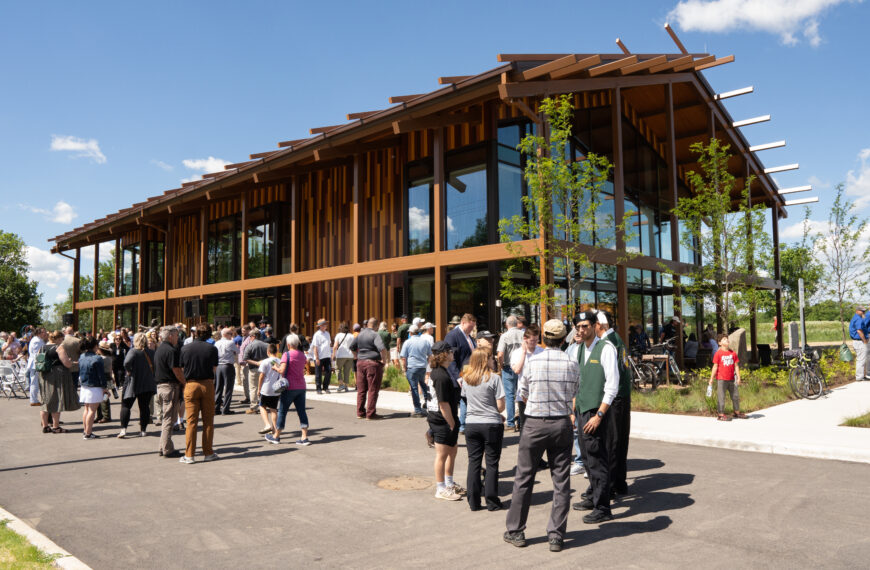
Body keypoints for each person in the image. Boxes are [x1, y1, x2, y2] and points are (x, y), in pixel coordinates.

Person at [504, 319, 579, 553]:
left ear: (544, 338)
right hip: (561, 423)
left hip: (535, 423)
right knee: (561, 481)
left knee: (524, 477)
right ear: (564, 339)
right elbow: (575, 391)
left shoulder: (534, 362)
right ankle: (556, 535)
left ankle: (516, 530)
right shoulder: (572, 362)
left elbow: (522, 393)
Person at [571, 310, 619, 525]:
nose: (581, 330)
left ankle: (603, 507)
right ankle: (593, 497)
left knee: (598, 459)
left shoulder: (606, 348)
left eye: (585, 326)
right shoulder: (579, 349)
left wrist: (599, 415)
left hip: (596, 412)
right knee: (588, 459)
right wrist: (574, 410)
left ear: (594, 326)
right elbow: (576, 383)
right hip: (582, 411)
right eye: (578, 326)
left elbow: (612, 386)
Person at [461, 347, 505, 511]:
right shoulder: (494, 379)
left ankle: (473, 501)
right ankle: (492, 501)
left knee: (474, 462)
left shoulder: (466, 379)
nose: (493, 361)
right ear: (485, 360)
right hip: (491, 423)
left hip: (472, 423)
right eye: (491, 358)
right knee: (492, 463)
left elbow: (466, 401)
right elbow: (500, 407)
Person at [599, 311, 632, 497]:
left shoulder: (608, 342)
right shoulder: (616, 338)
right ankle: (619, 482)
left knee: (611, 442)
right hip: (623, 395)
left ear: (601, 325)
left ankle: (610, 484)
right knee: (620, 442)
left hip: (615, 396)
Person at [427, 341, 463, 501]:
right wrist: (451, 423)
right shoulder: (440, 376)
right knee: (442, 454)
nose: (453, 353)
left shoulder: (441, 371)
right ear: (444, 355)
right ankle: (440, 488)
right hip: (442, 419)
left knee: (452, 451)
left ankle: (449, 483)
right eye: (450, 351)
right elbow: (443, 404)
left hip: (445, 418)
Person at [179, 323, 219, 463]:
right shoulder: (212, 349)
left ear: (195, 333)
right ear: (209, 334)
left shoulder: (185, 348)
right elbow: (214, 368)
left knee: (191, 422)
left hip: (191, 383)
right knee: (208, 421)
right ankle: (208, 452)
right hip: (207, 384)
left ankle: (189, 455)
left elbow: (182, 368)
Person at [271, 334, 311, 445]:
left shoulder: (286, 354)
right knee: (302, 411)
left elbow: (282, 371)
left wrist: (275, 367)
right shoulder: (302, 355)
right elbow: (302, 365)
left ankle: (276, 436)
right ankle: (304, 437)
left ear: (288, 345)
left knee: (283, 411)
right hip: (301, 386)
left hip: (289, 387)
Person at [153, 326, 184, 458]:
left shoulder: (160, 349)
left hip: (161, 387)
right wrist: (185, 382)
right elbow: (176, 370)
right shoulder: (171, 350)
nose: (178, 338)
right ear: (170, 336)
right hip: (170, 387)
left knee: (167, 418)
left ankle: (163, 446)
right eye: (176, 335)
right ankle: (167, 449)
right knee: (169, 419)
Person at [119, 332, 157, 439]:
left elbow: (126, 363)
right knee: (144, 407)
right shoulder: (151, 352)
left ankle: (123, 429)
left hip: (133, 382)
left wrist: (129, 371)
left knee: (126, 405)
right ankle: (143, 430)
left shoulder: (133, 351)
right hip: (147, 382)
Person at [350, 317, 388, 420]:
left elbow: (352, 347)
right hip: (372, 363)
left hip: (360, 363)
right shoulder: (375, 334)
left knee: (361, 389)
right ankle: (370, 414)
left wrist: (356, 356)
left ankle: (360, 412)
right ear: (376, 325)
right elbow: (382, 349)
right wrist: (384, 360)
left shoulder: (360, 334)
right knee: (373, 389)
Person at [445, 313, 477, 433]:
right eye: (470, 327)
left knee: (465, 402)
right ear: (462, 323)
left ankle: (463, 426)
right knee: (453, 406)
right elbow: (450, 360)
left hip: (468, 376)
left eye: (473, 327)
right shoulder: (453, 336)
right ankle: (434, 432)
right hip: (457, 378)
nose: (471, 329)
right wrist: (458, 377)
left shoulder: (469, 337)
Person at [510, 324, 543, 432]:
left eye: (537, 340)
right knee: (525, 424)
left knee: (539, 424)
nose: (535, 343)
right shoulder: (517, 353)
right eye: (532, 340)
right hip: (523, 394)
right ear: (525, 339)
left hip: (540, 393)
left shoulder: (542, 351)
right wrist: (524, 353)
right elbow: (517, 370)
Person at [709, 333, 745, 420]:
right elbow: (715, 366)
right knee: (721, 397)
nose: (727, 340)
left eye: (727, 339)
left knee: (735, 396)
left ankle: (737, 412)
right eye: (724, 339)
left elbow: (736, 366)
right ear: (719, 343)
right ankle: (720, 414)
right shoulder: (718, 353)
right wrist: (711, 379)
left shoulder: (733, 353)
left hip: (732, 379)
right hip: (721, 379)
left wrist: (739, 377)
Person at [496, 315, 523, 431]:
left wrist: (501, 366)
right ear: (517, 324)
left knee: (509, 396)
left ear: (507, 325)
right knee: (522, 394)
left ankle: (511, 422)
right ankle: (522, 421)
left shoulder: (505, 336)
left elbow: (500, 354)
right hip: (521, 367)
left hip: (508, 367)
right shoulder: (523, 334)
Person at [78, 336, 108, 440]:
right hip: (94, 387)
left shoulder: (82, 356)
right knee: (92, 411)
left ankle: (86, 431)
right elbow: (101, 375)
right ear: (95, 346)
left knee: (86, 409)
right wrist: (104, 388)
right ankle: (88, 433)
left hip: (84, 385)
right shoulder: (97, 358)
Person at [400, 324, 432, 417]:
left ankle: (417, 409)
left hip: (412, 367)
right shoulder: (425, 341)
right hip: (422, 367)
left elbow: (404, 357)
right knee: (423, 384)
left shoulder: (407, 342)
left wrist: (404, 368)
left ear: (411, 333)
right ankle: (427, 402)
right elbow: (430, 355)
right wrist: (427, 364)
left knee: (414, 388)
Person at [256, 343, 282, 438]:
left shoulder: (265, 362)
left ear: (268, 352)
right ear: (277, 352)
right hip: (276, 388)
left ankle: (267, 425)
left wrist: (259, 388)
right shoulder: (280, 361)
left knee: (262, 406)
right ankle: (275, 428)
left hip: (266, 387)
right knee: (273, 409)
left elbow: (261, 376)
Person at [243, 329, 269, 413]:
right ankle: (264, 405)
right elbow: (271, 357)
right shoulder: (267, 345)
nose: (249, 338)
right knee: (264, 387)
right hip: (265, 369)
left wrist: (256, 363)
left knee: (253, 388)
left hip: (253, 369)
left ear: (253, 336)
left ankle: (254, 407)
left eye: (250, 336)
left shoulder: (250, 346)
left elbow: (245, 358)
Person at [214, 327, 239, 415]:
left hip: (219, 366)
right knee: (228, 388)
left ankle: (216, 408)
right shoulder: (230, 342)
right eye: (230, 334)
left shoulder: (217, 343)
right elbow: (237, 351)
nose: (232, 335)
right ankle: (225, 409)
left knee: (218, 388)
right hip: (228, 365)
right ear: (225, 334)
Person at [95, 340, 116, 424]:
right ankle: (104, 415)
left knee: (103, 398)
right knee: (105, 397)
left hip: (103, 378)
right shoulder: (109, 358)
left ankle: (105, 416)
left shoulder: (101, 359)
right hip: (108, 377)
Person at [25, 328, 47, 406]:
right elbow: (37, 354)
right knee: (34, 382)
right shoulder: (36, 341)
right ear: (39, 333)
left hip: (36, 363)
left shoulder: (38, 339)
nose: (45, 333)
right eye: (43, 332)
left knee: (35, 382)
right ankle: (33, 400)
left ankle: (34, 399)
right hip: (35, 364)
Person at [311, 319, 333, 394]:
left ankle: (325, 387)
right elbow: (315, 347)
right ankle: (318, 388)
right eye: (324, 324)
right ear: (320, 326)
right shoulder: (317, 335)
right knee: (318, 373)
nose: (325, 326)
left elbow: (329, 344)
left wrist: (331, 355)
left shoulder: (327, 333)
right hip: (319, 357)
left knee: (329, 371)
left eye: (326, 324)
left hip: (327, 356)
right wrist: (316, 358)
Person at [332, 322, 355, 392]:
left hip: (341, 355)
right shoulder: (351, 336)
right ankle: (346, 386)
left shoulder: (338, 335)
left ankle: (341, 384)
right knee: (347, 371)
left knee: (337, 369)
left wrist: (333, 354)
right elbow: (353, 346)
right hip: (350, 355)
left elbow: (335, 346)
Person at [849, 306, 868, 382]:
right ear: (857, 311)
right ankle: (859, 377)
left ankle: (860, 376)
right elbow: (859, 331)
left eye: (864, 311)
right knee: (861, 359)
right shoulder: (858, 319)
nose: (863, 312)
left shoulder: (856, 317)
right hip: (859, 341)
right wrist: (865, 340)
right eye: (862, 311)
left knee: (860, 359)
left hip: (858, 341)